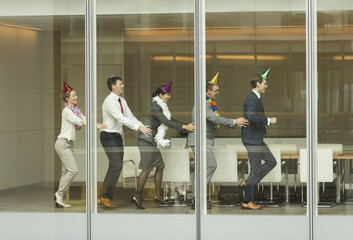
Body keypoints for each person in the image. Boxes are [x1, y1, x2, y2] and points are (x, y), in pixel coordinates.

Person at [132, 82, 195, 209]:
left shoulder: (162, 108)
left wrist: (186, 124)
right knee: (147, 169)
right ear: (160, 95)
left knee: (160, 165)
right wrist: (185, 126)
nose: (169, 97)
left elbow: (170, 119)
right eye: (167, 95)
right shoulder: (155, 107)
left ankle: (157, 195)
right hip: (145, 141)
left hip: (151, 142)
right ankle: (137, 196)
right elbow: (166, 121)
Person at [99, 74, 152, 208]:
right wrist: (138, 127)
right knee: (116, 165)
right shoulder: (109, 101)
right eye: (120, 84)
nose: (123, 86)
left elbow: (130, 116)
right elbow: (120, 118)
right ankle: (105, 197)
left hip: (116, 136)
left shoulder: (122, 100)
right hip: (108, 136)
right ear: (113, 86)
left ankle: (103, 196)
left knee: (115, 166)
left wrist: (141, 126)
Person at [187, 73, 249, 184]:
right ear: (208, 90)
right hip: (200, 141)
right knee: (210, 165)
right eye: (216, 90)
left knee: (203, 168)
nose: (218, 93)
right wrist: (234, 122)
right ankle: (198, 195)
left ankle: (196, 196)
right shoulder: (204, 103)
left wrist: (234, 124)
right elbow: (214, 119)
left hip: (200, 140)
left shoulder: (206, 103)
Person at [54, 82, 106, 208]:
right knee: (73, 170)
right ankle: (59, 193)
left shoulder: (76, 110)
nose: (76, 97)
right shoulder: (67, 111)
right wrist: (96, 125)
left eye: (76, 95)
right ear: (67, 98)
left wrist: (98, 124)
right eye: (73, 96)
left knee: (66, 171)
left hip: (69, 143)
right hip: (62, 143)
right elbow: (78, 121)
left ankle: (60, 198)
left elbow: (85, 119)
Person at [241, 68, 278, 210]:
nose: (266, 86)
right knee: (255, 170)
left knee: (271, 162)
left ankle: (248, 183)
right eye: (265, 83)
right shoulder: (251, 98)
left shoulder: (256, 98)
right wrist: (268, 120)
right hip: (252, 139)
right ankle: (246, 201)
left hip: (256, 139)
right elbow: (250, 117)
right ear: (258, 84)